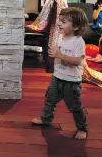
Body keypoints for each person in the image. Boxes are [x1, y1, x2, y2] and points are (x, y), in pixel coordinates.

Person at [31, 7, 89, 140]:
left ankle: (82, 128)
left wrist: (60, 55)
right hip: (57, 77)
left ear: (75, 27)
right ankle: (46, 119)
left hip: (71, 82)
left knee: (75, 106)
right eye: (59, 21)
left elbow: (77, 62)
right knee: (50, 99)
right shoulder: (62, 38)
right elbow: (58, 55)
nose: (59, 24)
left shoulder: (78, 42)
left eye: (63, 22)